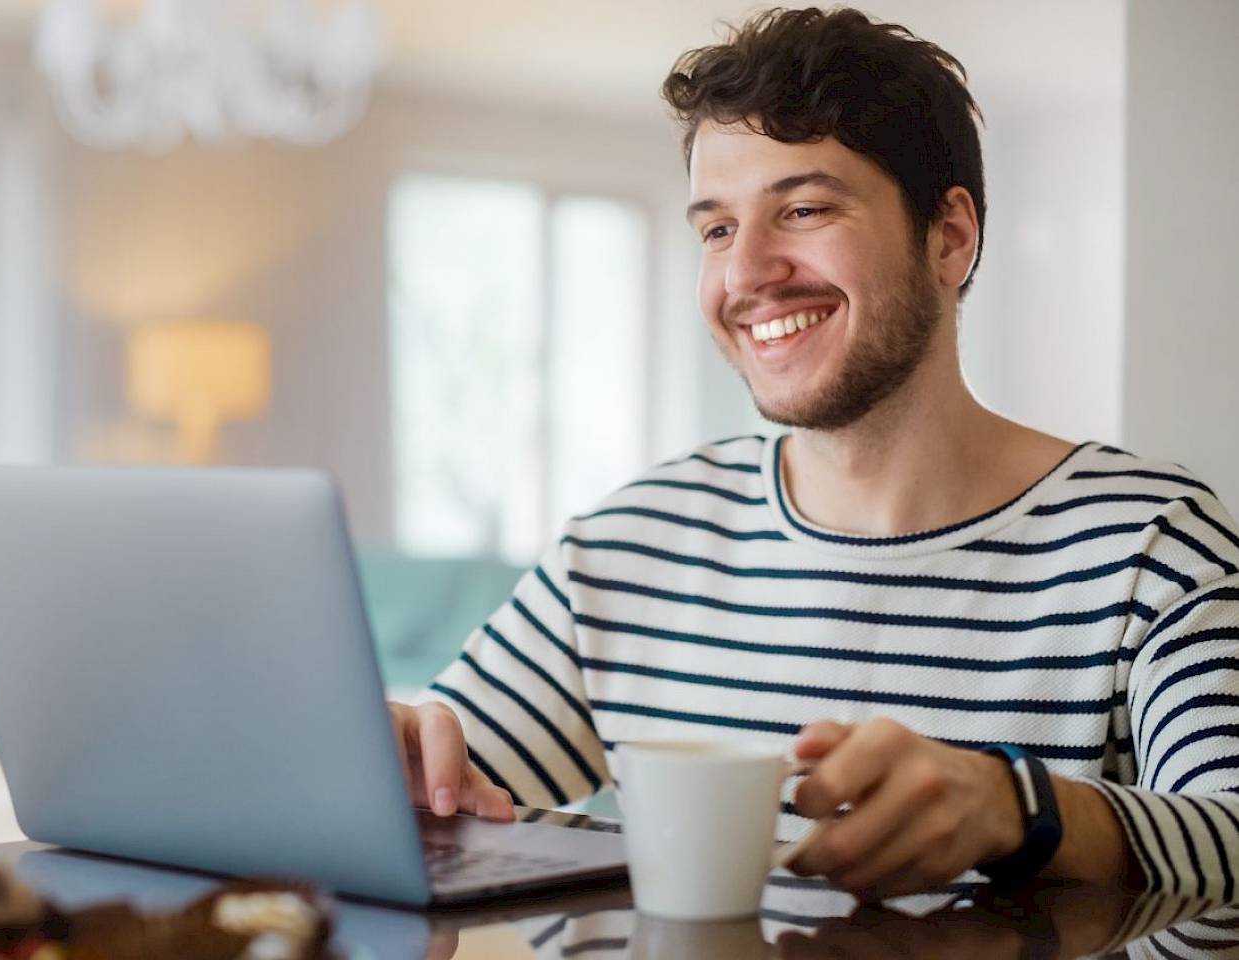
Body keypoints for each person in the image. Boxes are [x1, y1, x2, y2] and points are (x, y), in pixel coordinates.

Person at [391, 6, 1239, 900]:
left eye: (802, 209)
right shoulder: (628, 546)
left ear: (949, 238)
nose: (747, 273)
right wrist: (392, 760)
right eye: (716, 228)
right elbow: (444, 785)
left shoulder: (1151, 547)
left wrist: (1017, 808)